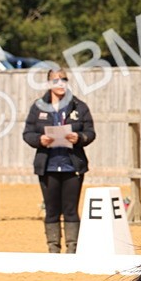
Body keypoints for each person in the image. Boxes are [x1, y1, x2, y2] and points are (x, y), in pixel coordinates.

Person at [22, 68, 96, 253]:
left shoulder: (79, 106)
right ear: (48, 83)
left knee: (71, 209)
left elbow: (90, 132)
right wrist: (40, 140)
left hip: (72, 166)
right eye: (56, 80)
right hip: (48, 166)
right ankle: (53, 249)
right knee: (52, 209)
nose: (60, 83)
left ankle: (72, 249)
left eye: (63, 79)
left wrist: (79, 137)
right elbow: (28, 133)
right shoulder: (38, 107)